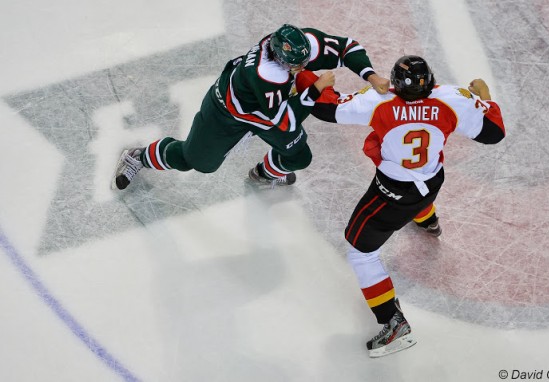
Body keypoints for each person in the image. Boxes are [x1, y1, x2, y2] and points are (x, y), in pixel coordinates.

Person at [303, 55, 506, 357]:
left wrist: (315, 83)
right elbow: (494, 132)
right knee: (421, 191)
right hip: (431, 180)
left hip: (393, 192)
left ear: (396, 83)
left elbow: (325, 108)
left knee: (361, 253)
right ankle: (428, 220)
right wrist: (485, 96)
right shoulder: (453, 98)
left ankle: (393, 323)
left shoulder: (378, 100)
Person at [112, 24, 389, 190]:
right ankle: (139, 157)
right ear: (280, 59)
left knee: (299, 157)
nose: (303, 67)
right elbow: (285, 122)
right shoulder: (268, 76)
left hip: (271, 109)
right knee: (196, 162)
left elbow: (345, 47)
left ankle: (264, 173)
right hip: (231, 113)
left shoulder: (293, 45)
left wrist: (371, 76)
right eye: (297, 65)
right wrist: (314, 89)